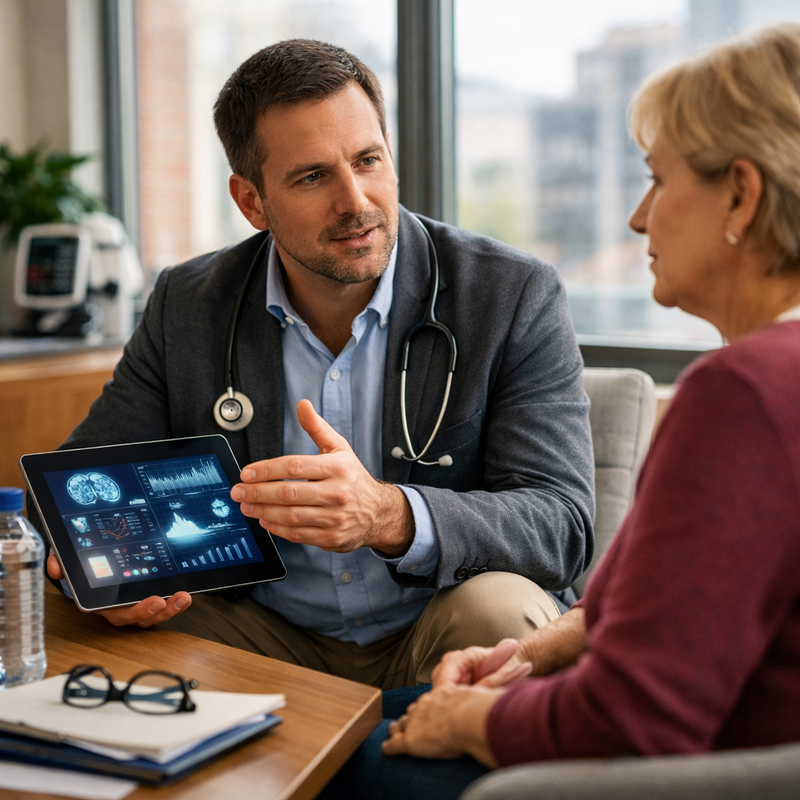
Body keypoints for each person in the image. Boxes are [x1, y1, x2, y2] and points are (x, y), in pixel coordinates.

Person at [321, 22, 800, 797]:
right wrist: (539, 653)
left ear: (740, 194)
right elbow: (688, 607)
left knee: (340, 765)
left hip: (696, 767)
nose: (640, 217)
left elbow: (635, 720)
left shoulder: (744, 395)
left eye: (659, 180)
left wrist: (468, 723)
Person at [43, 39, 595, 690]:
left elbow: (562, 524)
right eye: (312, 177)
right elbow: (76, 490)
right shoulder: (188, 304)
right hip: (261, 633)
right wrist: (88, 564)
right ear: (251, 201)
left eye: (368, 161)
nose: (355, 201)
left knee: (502, 609)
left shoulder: (509, 294)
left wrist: (390, 515)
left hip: (436, 626)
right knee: (80, 625)